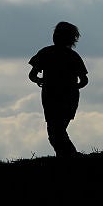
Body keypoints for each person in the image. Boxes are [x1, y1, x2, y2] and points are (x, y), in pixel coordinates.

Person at [29, 21, 89, 157]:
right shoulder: (67, 56)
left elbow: (32, 75)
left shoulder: (48, 53)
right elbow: (84, 81)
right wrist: (73, 87)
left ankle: (70, 156)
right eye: (56, 33)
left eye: (60, 34)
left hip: (60, 97)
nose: (56, 36)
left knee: (56, 132)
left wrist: (40, 80)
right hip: (55, 97)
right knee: (56, 131)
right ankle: (68, 156)